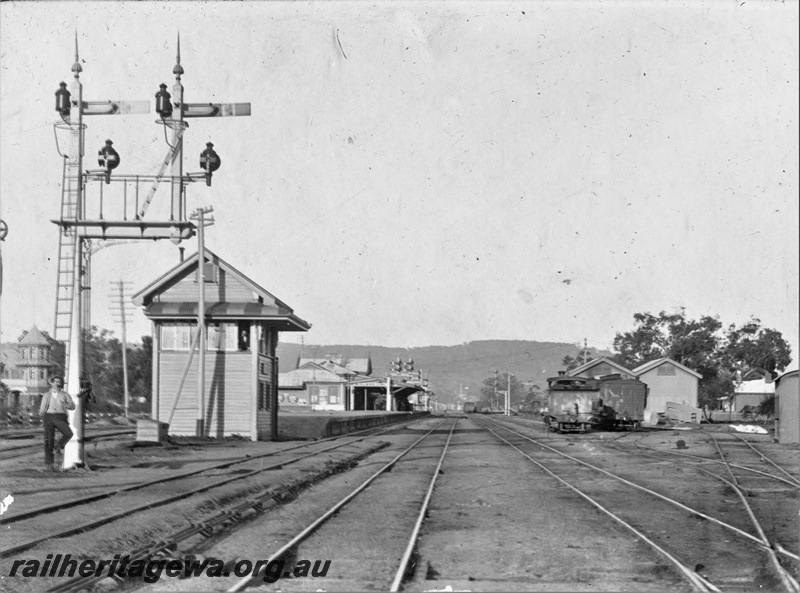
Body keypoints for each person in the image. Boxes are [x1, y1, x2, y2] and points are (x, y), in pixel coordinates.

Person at [38, 376, 76, 471]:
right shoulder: (47, 394)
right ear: (52, 383)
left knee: (68, 433)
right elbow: (43, 407)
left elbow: (72, 406)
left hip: (60, 417)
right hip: (48, 417)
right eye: (56, 382)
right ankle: (49, 465)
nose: (58, 384)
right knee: (49, 440)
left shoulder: (65, 394)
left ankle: (58, 447)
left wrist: (67, 405)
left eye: (59, 382)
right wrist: (42, 416)